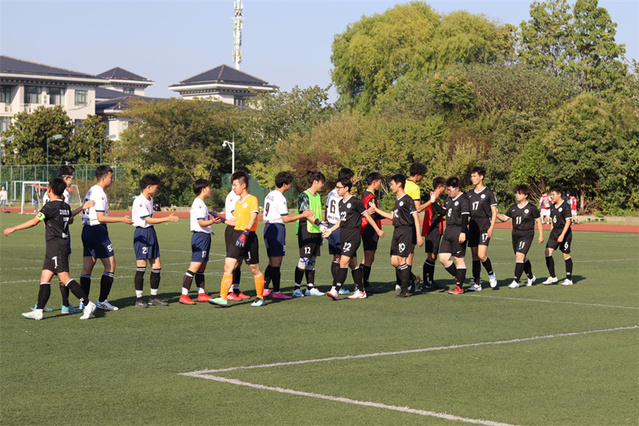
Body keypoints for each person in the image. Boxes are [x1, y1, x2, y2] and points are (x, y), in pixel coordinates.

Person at [4, 177, 96, 320]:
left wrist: (13, 228)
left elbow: (34, 221)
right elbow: (70, 218)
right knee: (45, 277)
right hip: (57, 244)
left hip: (56, 245)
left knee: (64, 278)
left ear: (49, 190)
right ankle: (39, 310)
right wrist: (81, 208)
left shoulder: (49, 206)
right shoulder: (65, 205)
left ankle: (88, 304)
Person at [40, 165, 94, 314]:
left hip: (51, 234)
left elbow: (48, 216)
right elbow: (67, 217)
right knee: (63, 269)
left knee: (50, 269)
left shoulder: (50, 192)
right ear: (65, 178)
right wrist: (83, 207)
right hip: (61, 235)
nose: (72, 181)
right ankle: (67, 305)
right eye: (72, 178)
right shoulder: (62, 193)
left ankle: (42, 305)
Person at [80, 165, 133, 311]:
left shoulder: (92, 190)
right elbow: (101, 217)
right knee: (111, 265)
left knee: (87, 268)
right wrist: (122, 219)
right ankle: (102, 301)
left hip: (87, 230)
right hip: (97, 231)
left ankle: (83, 302)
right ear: (103, 178)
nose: (112, 179)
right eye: (111, 177)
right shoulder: (100, 193)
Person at [210, 171, 266, 307]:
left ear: (243, 185)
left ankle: (260, 297)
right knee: (228, 265)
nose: (233, 188)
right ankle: (223, 297)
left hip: (248, 236)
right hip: (237, 235)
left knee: (254, 268)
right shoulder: (237, 203)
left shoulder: (252, 199)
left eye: (235, 185)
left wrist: (245, 232)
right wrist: (222, 219)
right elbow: (236, 222)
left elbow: (253, 218)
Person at [324, 176, 385, 300]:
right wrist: (330, 230)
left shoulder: (355, 201)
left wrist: (377, 229)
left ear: (346, 188)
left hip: (353, 236)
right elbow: (341, 221)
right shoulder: (341, 203)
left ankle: (335, 290)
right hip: (343, 235)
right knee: (353, 264)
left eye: (339, 187)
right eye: (336, 187)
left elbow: (367, 216)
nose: (337, 190)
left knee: (343, 262)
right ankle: (361, 291)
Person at [263, 171, 314, 299]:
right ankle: (276, 291)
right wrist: (303, 215)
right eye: (290, 183)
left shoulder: (270, 194)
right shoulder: (280, 198)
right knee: (277, 262)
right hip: (277, 228)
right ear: (285, 184)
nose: (290, 186)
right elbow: (285, 219)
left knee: (272, 261)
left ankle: (265, 289)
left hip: (268, 228)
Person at [131, 174, 179, 307]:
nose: (157, 190)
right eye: (156, 187)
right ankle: (139, 299)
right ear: (148, 187)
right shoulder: (139, 201)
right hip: (142, 233)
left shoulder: (150, 199)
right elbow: (148, 219)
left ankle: (153, 297)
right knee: (142, 266)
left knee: (157, 266)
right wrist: (167, 219)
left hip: (151, 232)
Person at [371, 174, 422, 298]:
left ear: (399, 184)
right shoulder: (398, 200)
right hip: (397, 231)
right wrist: (376, 209)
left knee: (402, 260)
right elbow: (392, 216)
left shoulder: (408, 199)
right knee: (394, 261)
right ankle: (413, 278)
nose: (391, 186)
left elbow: (415, 217)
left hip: (405, 231)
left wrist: (418, 235)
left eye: (392, 184)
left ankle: (405, 290)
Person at [179, 179, 221, 305]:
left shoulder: (201, 203)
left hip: (204, 236)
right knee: (195, 266)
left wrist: (210, 216)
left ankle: (201, 293)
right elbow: (201, 222)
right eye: (209, 187)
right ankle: (184, 295)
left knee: (202, 266)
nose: (210, 190)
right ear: (203, 189)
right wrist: (213, 221)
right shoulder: (198, 203)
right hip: (200, 237)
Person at [496, 185, 544, 289]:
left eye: (520, 193)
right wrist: (496, 213)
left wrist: (541, 236)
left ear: (526, 195)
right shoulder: (513, 208)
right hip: (515, 235)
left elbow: (539, 222)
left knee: (519, 256)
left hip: (527, 234)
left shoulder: (532, 208)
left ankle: (516, 281)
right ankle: (531, 277)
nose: (517, 195)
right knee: (522, 257)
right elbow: (504, 218)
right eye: (516, 193)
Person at [432, 176, 470, 295]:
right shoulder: (449, 199)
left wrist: (463, 232)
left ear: (457, 189)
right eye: (447, 189)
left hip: (459, 230)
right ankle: (459, 277)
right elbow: (443, 212)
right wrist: (433, 202)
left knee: (459, 259)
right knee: (443, 258)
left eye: (450, 190)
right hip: (448, 230)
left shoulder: (464, 199)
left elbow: (465, 217)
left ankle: (459, 287)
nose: (448, 192)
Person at [292, 171, 327, 298]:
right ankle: (296, 288)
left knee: (312, 259)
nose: (323, 185)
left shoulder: (317, 196)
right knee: (304, 259)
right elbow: (305, 214)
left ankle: (310, 287)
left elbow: (317, 214)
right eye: (322, 182)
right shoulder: (304, 195)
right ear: (315, 181)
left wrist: (321, 229)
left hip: (316, 230)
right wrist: (319, 223)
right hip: (306, 230)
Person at [466, 167, 498, 291]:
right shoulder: (469, 194)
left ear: (481, 177)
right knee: (474, 255)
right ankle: (477, 283)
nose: (473, 178)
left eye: (475, 176)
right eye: (471, 176)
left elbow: (494, 212)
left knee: (481, 254)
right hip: (473, 225)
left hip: (484, 225)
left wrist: (491, 227)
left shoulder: (489, 193)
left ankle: (491, 274)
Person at [326, 168, 354, 295]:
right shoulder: (342, 193)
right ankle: (337, 286)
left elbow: (327, 208)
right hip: (339, 227)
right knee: (344, 258)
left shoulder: (331, 193)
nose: (352, 181)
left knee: (336, 258)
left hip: (331, 226)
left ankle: (335, 285)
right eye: (351, 178)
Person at [403, 162, 429, 289]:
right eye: (422, 175)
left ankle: (400, 281)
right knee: (409, 253)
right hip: (410, 222)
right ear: (418, 175)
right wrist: (431, 201)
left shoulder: (402, 183)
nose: (422, 178)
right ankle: (408, 280)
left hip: (400, 222)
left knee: (400, 252)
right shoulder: (415, 187)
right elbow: (417, 208)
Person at [543, 186, 574, 286]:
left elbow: (568, 221)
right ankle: (553, 277)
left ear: (559, 194)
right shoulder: (553, 206)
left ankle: (569, 279)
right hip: (554, 233)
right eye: (551, 194)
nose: (552, 196)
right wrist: (552, 230)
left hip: (564, 233)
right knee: (547, 252)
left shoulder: (565, 205)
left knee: (565, 254)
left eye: (553, 194)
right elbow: (553, 219)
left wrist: (562, 235)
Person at [223, 187, 249, 301]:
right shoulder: (232, 196)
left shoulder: (242, 196)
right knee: (232, 261)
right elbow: (237, 214)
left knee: (239, 260)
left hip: (241, 229)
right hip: (233, 229)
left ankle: (236, 289)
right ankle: (229, 291)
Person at [359, 172, 383, 294]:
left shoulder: (364, 193)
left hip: (365, 227)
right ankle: (364, 284)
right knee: (369, 257)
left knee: (366, 257)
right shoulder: (371, 197)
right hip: (370, 228)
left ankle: (361, 282)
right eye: (379, 182)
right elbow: (373, 214)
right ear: (374, 182)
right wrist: (389, 215)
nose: (380, 185)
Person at [421, 177, 446, 290]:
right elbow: (441, 212)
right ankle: (426, 281)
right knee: (431, 256)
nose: (445, 189)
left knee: (433, 256)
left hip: (436, 229)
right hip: (432, 230)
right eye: (444, 187)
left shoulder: (436, 199)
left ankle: (430, 280)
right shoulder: (433, 199)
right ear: (439, 187)